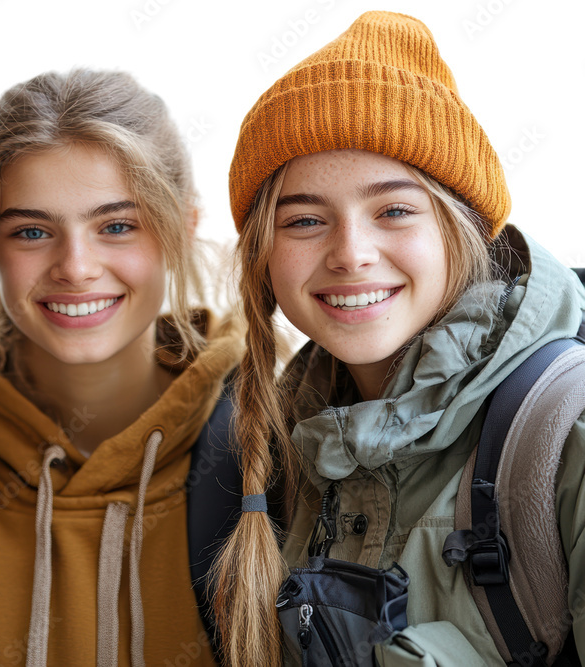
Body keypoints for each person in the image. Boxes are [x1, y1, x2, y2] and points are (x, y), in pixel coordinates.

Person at [214, 10, 585, 666]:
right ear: (263, 257)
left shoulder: (566, 433)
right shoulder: (282, 450)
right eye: (304, 219)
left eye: (393, 210)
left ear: (462, 229)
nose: (351, 253)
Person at [0, 69, 276, 667]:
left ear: (182, 228)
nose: (75, 266)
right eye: (31, 231)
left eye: (117, 226)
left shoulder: (276, 447)